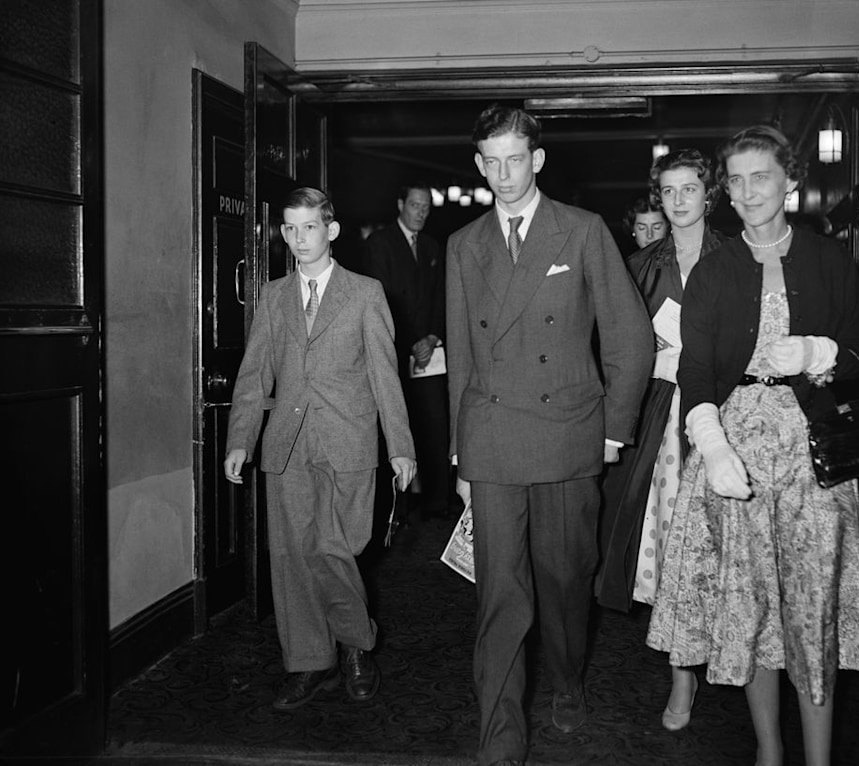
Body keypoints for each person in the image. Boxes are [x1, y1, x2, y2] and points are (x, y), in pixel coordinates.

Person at [646, 126, 859, 766]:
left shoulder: (830, 261)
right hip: (738, 448)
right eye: (738, 180)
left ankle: (819, 758)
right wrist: (712, 445)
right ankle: (770, 751)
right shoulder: (715, 270)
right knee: (752, 608)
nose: (747, 192)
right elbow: (695, 374)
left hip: (815, 454)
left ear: (790, 182)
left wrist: (821, 353)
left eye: (762, 177)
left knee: (812, 606)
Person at [446, 104, 654, 766]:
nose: (504, 175)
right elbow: (462, 353)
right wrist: (460, 450)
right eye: (491, 162)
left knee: (565, 582)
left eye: (516, 159)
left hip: (569, 439)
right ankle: (499, 740)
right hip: (493, 441)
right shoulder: (464, 244)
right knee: (499, 596)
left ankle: (567, 680)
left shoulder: (583, 231)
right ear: (479, 165)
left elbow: (631, 338)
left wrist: (614, 431)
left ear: (537, 160)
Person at [223, 187, 416, 711]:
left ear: (331, 231)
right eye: (289, 228)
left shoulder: (365, 293)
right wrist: (240, 438)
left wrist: (401, 446)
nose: (298, 238)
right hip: (285, 446)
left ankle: (356, 643)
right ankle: (311, 661)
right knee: (290, 557)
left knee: (337, 550)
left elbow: (385, 374)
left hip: (349, 443)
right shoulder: (273, 295)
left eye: (308, 226)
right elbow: (253, 374)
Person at [595, 148, 726, 731]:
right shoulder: (642, 264)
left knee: (722, 542)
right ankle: (681, 675)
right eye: (668, 191)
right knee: (667, 536)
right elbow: (616, 345)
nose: (677, 201)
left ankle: (731, 652)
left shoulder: (735, 257)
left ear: (708, 193)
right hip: (660, 414)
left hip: (722, 415)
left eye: (689, 189)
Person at [364, 183, 450, 521]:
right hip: (395, 352)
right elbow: (382, 298)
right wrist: (414, 340)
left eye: (427, 207)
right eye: (415, 205)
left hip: (430, 353)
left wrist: (432, 336)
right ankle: (394, 509)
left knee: (435, 424)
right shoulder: (380, 243)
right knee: (394, 426)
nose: (421, 213)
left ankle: (437, 503)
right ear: (401, 204)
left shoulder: (432, 246)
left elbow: (441, 296)